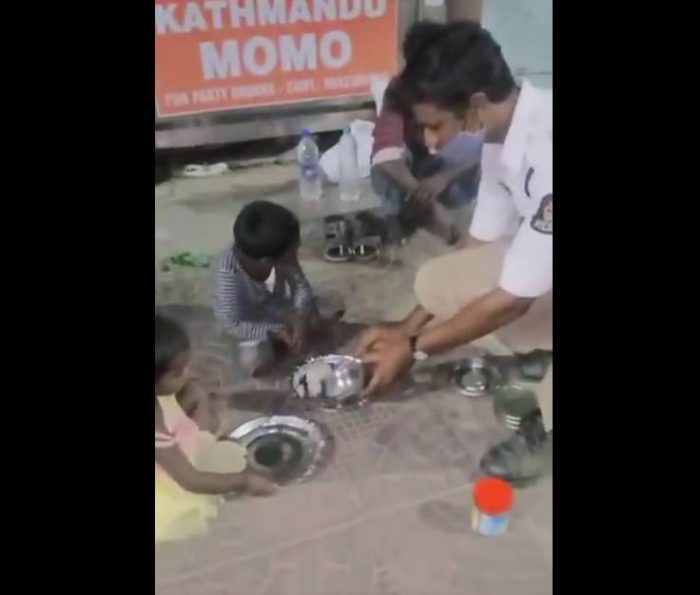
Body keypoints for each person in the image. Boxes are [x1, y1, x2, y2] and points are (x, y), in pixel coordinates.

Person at [359, 21, 553, 484]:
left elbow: (513, 298)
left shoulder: (548, 151)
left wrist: (413, 351)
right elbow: (478, 248)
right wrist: (404, 329)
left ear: (476, 106)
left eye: (433, 127)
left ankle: (547, 432)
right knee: (440, 280)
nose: (429, 142)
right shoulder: (499, 140)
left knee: (504, 304)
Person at [155, 314, 276, 543]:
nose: (188, 371)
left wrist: (187, 385)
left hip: (166, 436)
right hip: (168, 477)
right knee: (212, 453)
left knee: (196, 392)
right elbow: (191, 480)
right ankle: (204, 432)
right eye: (178, 371)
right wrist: (244, 481)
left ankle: (200, 415)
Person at [371, 21, 483, 245]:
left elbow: (491, 143)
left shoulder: (469, 86)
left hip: (454, 170)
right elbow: (386, 154)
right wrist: (424, 193)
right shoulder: (399, 91)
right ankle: (423, 217)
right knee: (384, 176)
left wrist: (445, 177)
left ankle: (429, 219)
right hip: (419, 173)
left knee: (478, 171)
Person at [214, 201, 320, 354]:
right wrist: (275, 330)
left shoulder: (277, 251)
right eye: (291, 255)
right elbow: (232, 324)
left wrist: (301, 315)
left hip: (273, 309)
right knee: (255, 357)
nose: (294, 258)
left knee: (312, 319)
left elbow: (300, 286)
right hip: (245, 325)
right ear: (267, 262)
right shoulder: (227, 276)